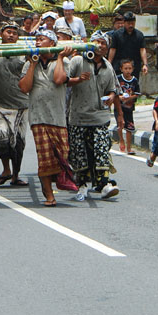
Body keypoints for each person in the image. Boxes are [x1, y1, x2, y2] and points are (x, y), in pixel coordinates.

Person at [18, 28, 76, 206]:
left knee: (62, 154)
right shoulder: (29, 64)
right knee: (44, 157)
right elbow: (24, 88)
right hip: (38, 117)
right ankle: (49, 195)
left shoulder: (63, 61)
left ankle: (55, 181)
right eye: (36, 40)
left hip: (57, 117)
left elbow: (59, 80)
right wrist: (33, 64)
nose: (37, 42)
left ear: (51, 43)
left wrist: (58, 57)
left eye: (42, 39)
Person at [67, 31, 119, 200]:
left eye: (103, 43)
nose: (100, 45)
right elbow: (62, 80)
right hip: (78, 116)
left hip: (100, 116)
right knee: (79, 153)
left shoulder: (108, 66)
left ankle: (103, 184)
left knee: (101, 149)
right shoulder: (77, 61)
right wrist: (78, 80)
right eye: (97, 42)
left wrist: (111, 97)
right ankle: (81, 185)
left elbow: (112, 89)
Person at [0, 22, 29, 188]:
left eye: (14, 33)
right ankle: (6, 170)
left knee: (18, 142)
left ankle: (16, 175)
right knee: (3, 139)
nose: (11, 35)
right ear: (1, 35)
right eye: (8, 32)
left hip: (20, 104)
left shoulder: (24, 53)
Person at [108, 11, 148, 79]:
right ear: (124, 23)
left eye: (132, 23)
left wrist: (145, 64)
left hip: (134, 67)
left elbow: (142, 49)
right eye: (128, 23)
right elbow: (113, 49)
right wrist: (109, 64)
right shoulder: (117, 34)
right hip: (119, 66)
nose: (131, 25)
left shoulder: (139, 35)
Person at [116, 59, 140, 154]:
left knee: (129, 127)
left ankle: (129, 148)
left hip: (129, 107)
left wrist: (129, 98)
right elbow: (114, 91)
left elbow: (137, 93)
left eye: (129, 68)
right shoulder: (118, 79)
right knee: (120, 124)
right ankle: (121, 140)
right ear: (121, 69)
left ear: (133, 69)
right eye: (125, 68)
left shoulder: (134, 80)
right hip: (119, 106)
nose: (128, 70)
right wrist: (120, 97)